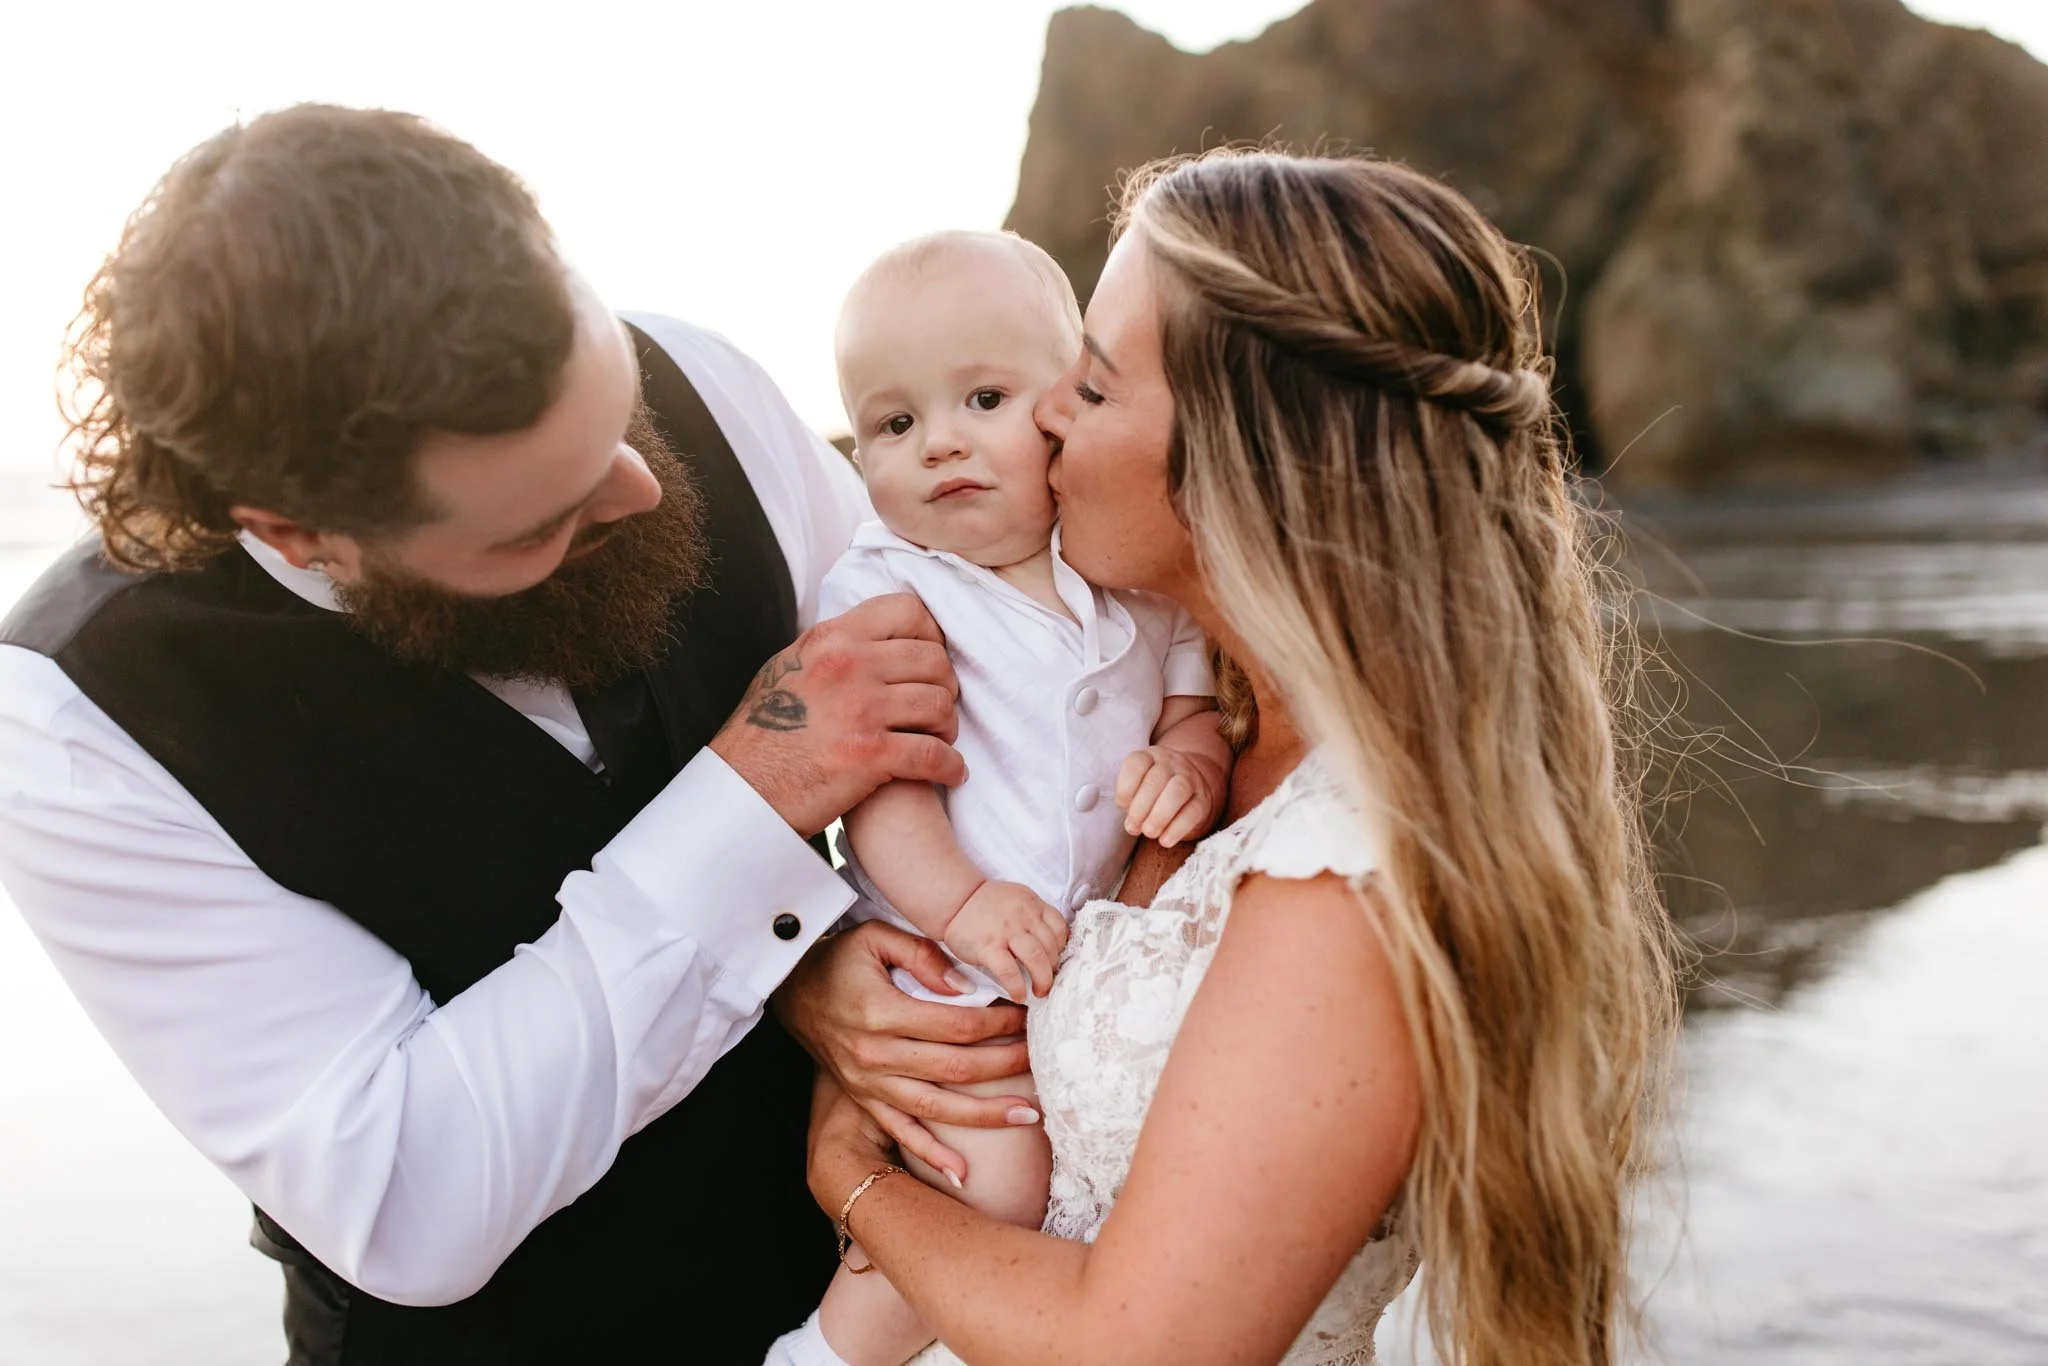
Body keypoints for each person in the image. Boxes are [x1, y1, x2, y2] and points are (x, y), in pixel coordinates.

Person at [0, 104, 1044, 1365]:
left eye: (615, 408)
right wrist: (752, 796)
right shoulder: (76, 720)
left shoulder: (703, 379)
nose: (642, 483)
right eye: (532, 519)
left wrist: (815, 962)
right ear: (296, 530)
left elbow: (995, 723)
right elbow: (407, 1193)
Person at [778, 149, 1680, 1366]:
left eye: (1088, 391)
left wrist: (850, 1177)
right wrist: (831, 988)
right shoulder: (1201, 704)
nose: (1043, 417)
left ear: (1238, 458)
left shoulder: (1349, 874)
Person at [810, 230, 1230, 1364]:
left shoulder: (1130, 574)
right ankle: (825, 1352)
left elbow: (1192, 710)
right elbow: (882, 792)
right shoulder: (890, 586)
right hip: (938, 944)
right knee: (985, 1178)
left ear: (1063, 405)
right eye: (892, 425)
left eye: (983, 398)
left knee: (1058, 1177)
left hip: (1065, 953)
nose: (938, 442)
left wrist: (1186, 764)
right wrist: (959, 906)